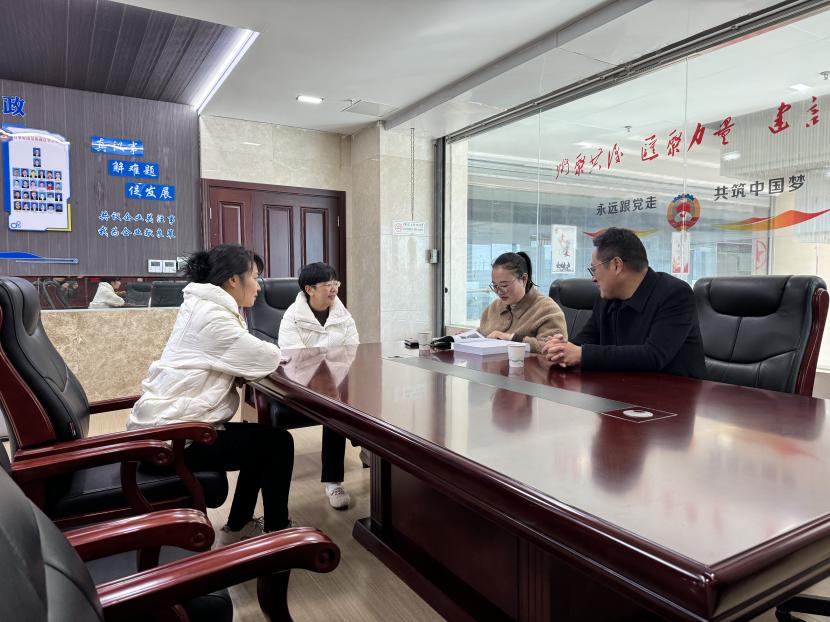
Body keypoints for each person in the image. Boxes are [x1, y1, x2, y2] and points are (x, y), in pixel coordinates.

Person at [128, 244, 293, 542]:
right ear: (233, 280)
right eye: (254, 277)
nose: (258, 286)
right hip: (175, 438)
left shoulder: (202, 305)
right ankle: (278, 534)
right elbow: (265, 356)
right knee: (278, 443)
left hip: (170, 427)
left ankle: (239, 525)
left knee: (264, 440)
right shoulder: (213, 316)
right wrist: (271, 355)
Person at [541, 227, 706, 377]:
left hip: (673, 393)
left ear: (617, 265)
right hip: (620, 388)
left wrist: (582, 354)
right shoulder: (607, 296)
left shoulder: (675, 294)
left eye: (594, 269)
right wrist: (561, 348)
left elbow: (653, 356)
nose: (593, 278)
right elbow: (588, 337)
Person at [278, 262, 359, 510]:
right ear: (309, 289)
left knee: (365, 398)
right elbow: (294, 355)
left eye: (335, 283)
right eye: (327, 284)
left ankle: (368, 444)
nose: (334, 288)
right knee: (335, 408)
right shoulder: (292, 316)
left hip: (337, 377)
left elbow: (353, 347)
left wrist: (331, 363)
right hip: (303, 381)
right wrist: (328, 358)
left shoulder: (342, 314)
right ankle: (333, 482)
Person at [478, 251, 567, 352]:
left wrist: (510, 338)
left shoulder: (547, 309)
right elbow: (483, 333)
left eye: (504, 285)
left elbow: (554, 349)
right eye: (495, 286)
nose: (499, 291)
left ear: (524, 279)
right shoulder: (494, 306)